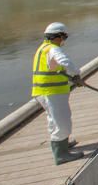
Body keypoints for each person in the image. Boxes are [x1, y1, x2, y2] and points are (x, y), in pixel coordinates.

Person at [32, 22, 85, 165]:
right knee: (63, 122)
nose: (63, 41)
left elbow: (54, 67)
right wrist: (76, 75)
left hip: (43, 92)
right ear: (57, 36)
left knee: (54, 121)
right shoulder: (53, 49)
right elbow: (65, 61)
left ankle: (62, 145)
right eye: (63, 37)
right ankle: (61, 155)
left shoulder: (43, 48)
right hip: (52, 92)